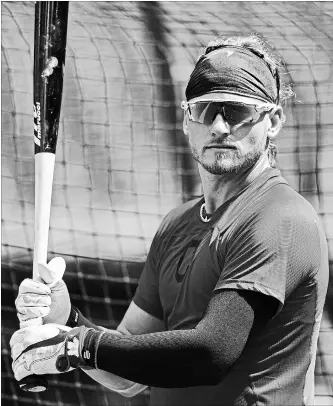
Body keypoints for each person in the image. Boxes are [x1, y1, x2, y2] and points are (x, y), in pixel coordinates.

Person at [11, 34, 329, 406]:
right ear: (186, 119)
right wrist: (69, 319)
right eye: (206, 110)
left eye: (238, 112)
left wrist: (77, 346)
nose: (220, 127)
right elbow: (126, 375)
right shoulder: (176, 224)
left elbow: (212, 353)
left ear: (272, 121)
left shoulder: (279, 216)